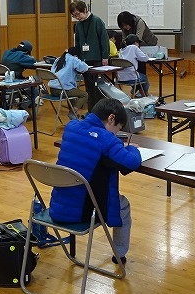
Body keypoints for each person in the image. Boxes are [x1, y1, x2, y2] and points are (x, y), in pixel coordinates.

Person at [50, 98, 142, 264]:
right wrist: (131, 148)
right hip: (82, 211)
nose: (115, 134)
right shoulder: (106, 139)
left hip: (58, 205)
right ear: (111, 118)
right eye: (118, 129)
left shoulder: (71, 126)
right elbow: (132, 162)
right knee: (123, 205)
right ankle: (119, 254)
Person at [71, 0, 110, 111]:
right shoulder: (78, 25)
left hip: (98, 59)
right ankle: (91, 111)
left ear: (85, 10)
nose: (77, 17)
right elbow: (77, 42)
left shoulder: (97, 21)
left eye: (78, 14)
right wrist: (77, 56)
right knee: (89, 88)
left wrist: (105, 56)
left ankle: (100, 111)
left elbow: (104, 40)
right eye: (74, 15)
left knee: (98, 87)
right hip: (84, 60)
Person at [48, 46, 90, 119]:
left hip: (52, 89)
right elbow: (84, 68)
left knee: (73, 91)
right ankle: (73, 112)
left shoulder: (58, 59)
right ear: (76, 55)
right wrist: (80, 60)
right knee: (84, 95)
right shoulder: (73, 59)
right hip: (62, 90)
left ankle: (74, 114)